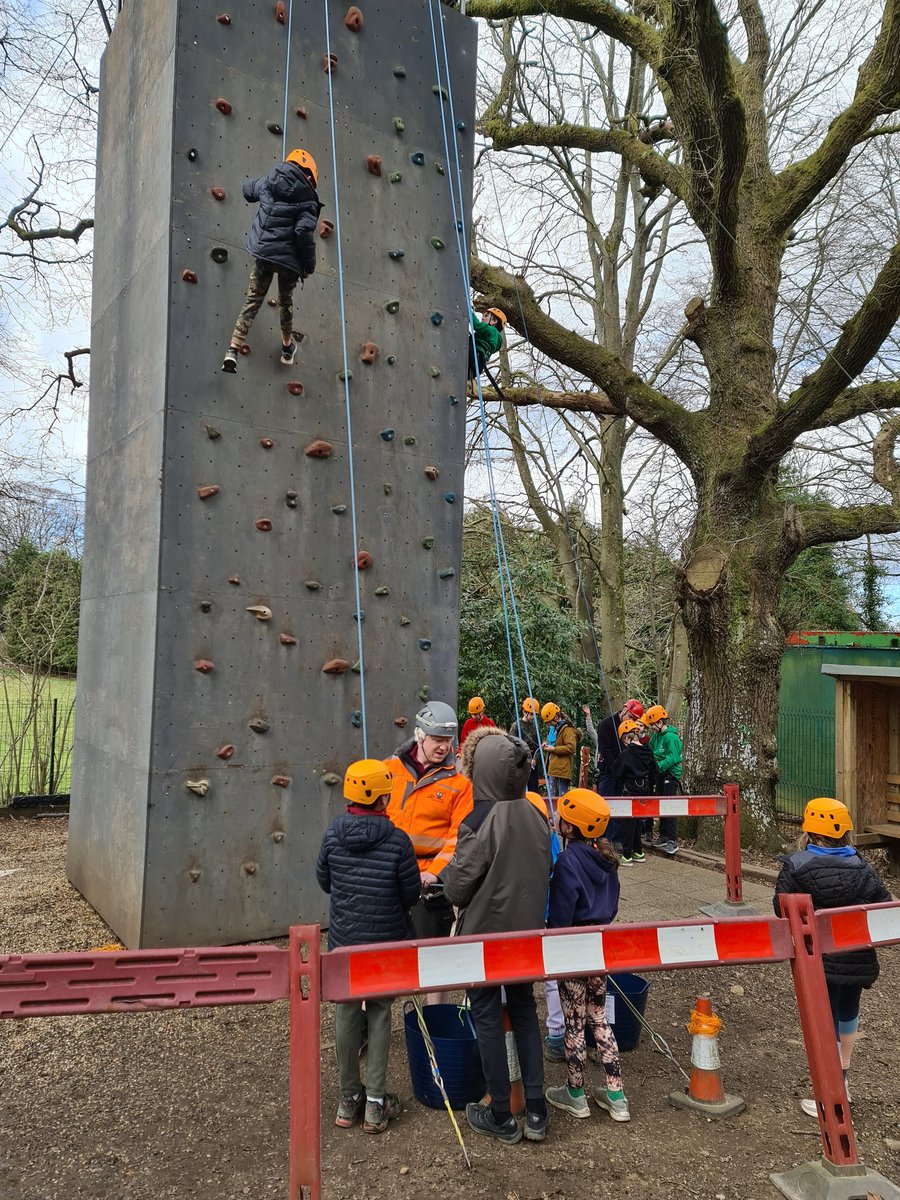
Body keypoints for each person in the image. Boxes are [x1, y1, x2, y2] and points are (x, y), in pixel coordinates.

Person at [442, 726, 553, 1145]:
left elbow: (458, 887)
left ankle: (501, 1113)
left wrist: (447, 875)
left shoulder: (480, 818)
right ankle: (538, 1111)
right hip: (527, 935)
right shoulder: (538, 814)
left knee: (486, 1015)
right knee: (524, 1010)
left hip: (486, 939)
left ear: (482, 770)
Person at [316, 759, 420, 1134]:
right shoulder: (397, 840)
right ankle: (375, 1103)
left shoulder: (332, 834)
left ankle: (348, 1099)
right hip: (386, 943)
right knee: (378, 1014)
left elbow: (323, 880)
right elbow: (411, 893)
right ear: (381, 797)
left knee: (345, 1014)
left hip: (345, 940)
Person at [774, 797, 891, 1117]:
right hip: (856, 958)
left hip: (818, 960)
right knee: (847, 1014)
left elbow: (781, 911)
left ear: (809, 831)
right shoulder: (864, 868)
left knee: (823, 1018)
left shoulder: (796, 867)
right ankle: (844, 1081)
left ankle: (829, 1093)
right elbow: (884, 908)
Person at [545, 788, 630, 1123]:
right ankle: (616, 1095)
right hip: (599, 948)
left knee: (575, 1024)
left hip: (572, 951)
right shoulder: (608, 858)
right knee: (599, 1019)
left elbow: (561, 915)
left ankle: (576, 1093)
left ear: (569, 826)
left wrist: (552, 938)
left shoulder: (567, 862)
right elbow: (611, 906)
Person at [222, 147, 321, 373]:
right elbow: (303, 234)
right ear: (310, 176)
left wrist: (263, 187)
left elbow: (248, 190)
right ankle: (287, 347)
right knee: (285, 303)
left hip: (264, 254)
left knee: (253, 300)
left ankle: (233, 350)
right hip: (288, 263)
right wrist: (309, 266)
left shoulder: (269, 182)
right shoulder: (308, 201)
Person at [384, 701, 473, 947]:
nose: (444, 747)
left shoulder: (460, 785)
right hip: (390, 876)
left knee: (432, 958)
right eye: (437, 739)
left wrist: (435, 872)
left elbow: (459, 836)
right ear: (420, 736)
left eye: (448, 740)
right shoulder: (388, 770)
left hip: (429, 884)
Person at [611, 718, 659, 865]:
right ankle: (638, 851)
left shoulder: (626, 754)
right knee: (638, 820)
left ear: (626, 737)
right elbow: (655, 772)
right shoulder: (647, 750)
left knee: (628, 822)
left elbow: (616, 773)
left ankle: (627, 855)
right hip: (644, 789)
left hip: (630, 789)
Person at [643, 704, 682, 854]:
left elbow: (672, 757)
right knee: (661, 805)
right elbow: (650, 751)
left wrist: (658, 766)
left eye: (653, 724)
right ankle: (664, 835)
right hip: (659, 774)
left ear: (660, 722)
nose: (652, 727)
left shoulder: (671, 737)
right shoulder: (656, 736)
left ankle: (672, 839)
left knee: (669, 806)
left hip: (670, 775)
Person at [540, 702, 577, 815]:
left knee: (562, 797)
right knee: (550, 796)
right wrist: (545, 744)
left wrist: (553, 749)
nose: (548, 725)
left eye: (549, 722)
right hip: (552, 767)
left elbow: (571, 748)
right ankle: (551, 818)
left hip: (562, 769)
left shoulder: (567, 729)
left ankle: (563, 818)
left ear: (556, 717)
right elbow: (552, 742)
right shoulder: (553, 728)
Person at [468, 307, 507, 381]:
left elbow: (477, 326)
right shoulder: (487, 337)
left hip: (473, 356)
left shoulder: (492, 331)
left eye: (486, 316)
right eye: (483, 316)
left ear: (494, 321)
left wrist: (470, 313)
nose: (482, 318)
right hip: (478, 367)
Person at [511, 697, 541, 790]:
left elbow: (537, 745)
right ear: (525, 712)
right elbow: (511, 743)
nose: (533, 717)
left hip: (533, 760)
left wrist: (535, 759)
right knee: (521, 787)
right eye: (531, 714)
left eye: (534, 715)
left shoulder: (534, 725)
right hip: (521, 759)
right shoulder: (516, 725)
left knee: (533, 787)